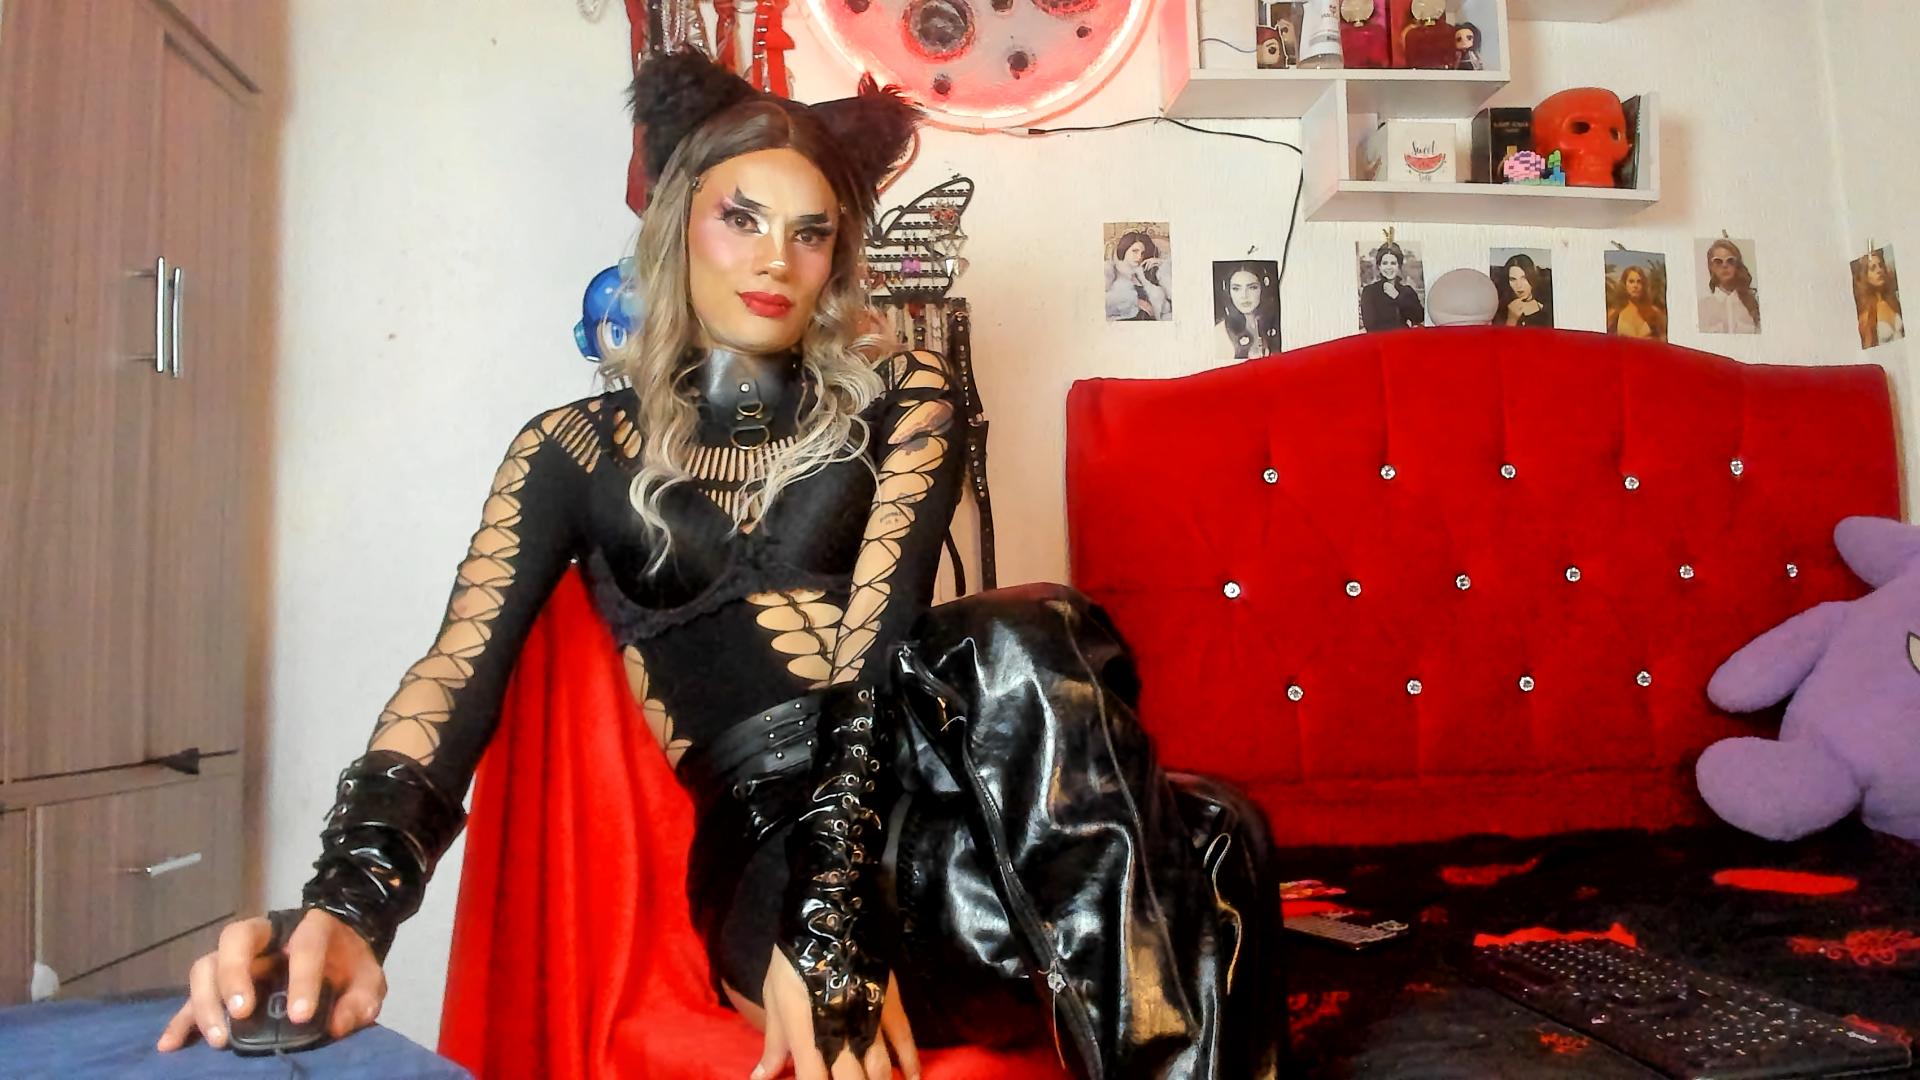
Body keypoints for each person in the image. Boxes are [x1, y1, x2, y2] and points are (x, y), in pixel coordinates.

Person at [156, 51, 1283, 1080]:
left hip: (904, 782)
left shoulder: (903, 400)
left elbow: (874, 657)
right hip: (761, 845)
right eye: (741, 218)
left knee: (1104, 717)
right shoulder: (571, 449)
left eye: (811, 233)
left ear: (838, 258)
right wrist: (349, 904)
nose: (775, 258)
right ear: (677, 226)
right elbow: (457, 671)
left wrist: (834, 919)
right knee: (1190, 835)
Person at [1215, 262, 1279, 359]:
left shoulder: (1275, 323)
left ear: (1262, 288)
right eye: (1236, 288)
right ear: (1228, 292)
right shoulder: (1220, 332)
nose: (1244, 296)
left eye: (1252, 287)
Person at [1697, 238, 1760, 334]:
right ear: (1711, 267)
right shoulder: (1703, 307)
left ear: (1737, 265)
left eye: (1730, 261)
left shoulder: (1753, 304)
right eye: (1718, 261)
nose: (1724, 265)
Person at [1105, 230, 1171, 321]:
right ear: (1124, 249)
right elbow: (1100, 301)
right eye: (1135, 251)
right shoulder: (1110, 270)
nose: (1139, 257)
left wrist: (1162, 263)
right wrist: (1135, 301)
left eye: (1142, 253)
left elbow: (1167, 305)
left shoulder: (1145, 275)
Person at [1359, 240, 1424, 331]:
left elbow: (1419, 317)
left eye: (1393, 263)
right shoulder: (1369, 291)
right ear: (1379, 266)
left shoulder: (1407, 291)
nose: (1389, 267)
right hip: (1380, 339)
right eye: (1385, 263)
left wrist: (1398, 297)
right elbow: (1370, 325)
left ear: (1399, 266)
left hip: (1405, 338)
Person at [1854, 249, 1905, 348]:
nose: (1879, 270)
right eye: (1873, 268)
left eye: (1880, 265)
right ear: (1866, 277)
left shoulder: (1893, 301)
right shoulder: (1866, 314)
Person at [1607, 263, 1667, 340]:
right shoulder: (1615, 313)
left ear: (1643, 285)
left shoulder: (1654, 312)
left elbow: (1663, 339)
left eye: (1639, 282)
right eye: (1631, 281)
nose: (1635, 286)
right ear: (1624, 284)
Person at [1498, 253, 1553, 327]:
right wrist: (1511, 320)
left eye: (1524, 278)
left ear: (1532, 277)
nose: (1519, 285)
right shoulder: (1501, 310)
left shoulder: (1548, 310)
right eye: (1513, 279)